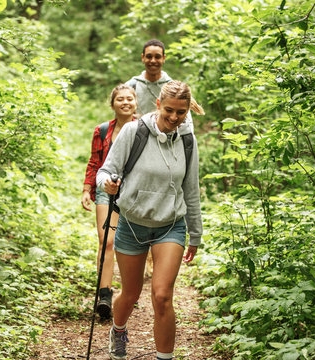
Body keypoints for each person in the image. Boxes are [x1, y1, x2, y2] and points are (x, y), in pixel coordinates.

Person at [96, 80, 204, 360]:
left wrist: (196, 234)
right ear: (158, 104)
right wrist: (107, 182)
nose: (173, 118)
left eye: (180, 113)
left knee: (162, 296)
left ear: (186, 112)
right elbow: (106, 170)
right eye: (169, 110)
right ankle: (118, 330)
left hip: (170, 226)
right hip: (132, 224)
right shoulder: (134, 131)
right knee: (130, 294)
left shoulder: (188, 141)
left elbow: (191, 189)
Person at [82, 84, 138, 320]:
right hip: (106, 188)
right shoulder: (103, 130)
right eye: (120, 100)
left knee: (126, 244)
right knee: (106, 240)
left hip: (133, 191)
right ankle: (104, 294)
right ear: (113, 104)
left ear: (136, 102)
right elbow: (95, 163)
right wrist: (87, 189)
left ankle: (128, 293)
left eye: (129, 99)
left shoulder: (145, 128)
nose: (125, 103)